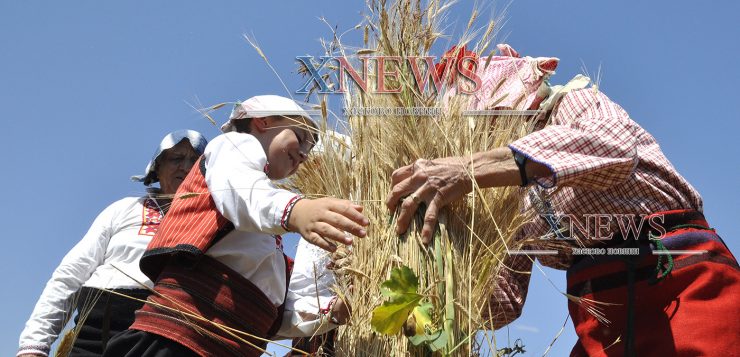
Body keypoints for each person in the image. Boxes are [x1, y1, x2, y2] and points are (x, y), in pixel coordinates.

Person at [386, 45, 740, 356]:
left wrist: (468, 169)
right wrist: (435, 286)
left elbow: (615, 148)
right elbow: (505, 301)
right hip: (599, 314)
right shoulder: (505, 189)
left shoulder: (573, 105)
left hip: (683, 285)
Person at [103, 95, 369, 357]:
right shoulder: (234, 147)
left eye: (308, 151)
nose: (303, 154)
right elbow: (241, 189)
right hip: (179, 340)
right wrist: (296, 210)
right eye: (299, 138)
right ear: (263, 122)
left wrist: (330, 312)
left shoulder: (266, 238)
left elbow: (274, 317)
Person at [18, 130, 208, 357]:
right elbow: (70, 275)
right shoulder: (124, 209)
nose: (186, 167)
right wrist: (34, 344)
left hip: (166, 337)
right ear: (157, 166)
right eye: (176, 159)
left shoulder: (213, 220)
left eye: (195, 161)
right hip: (96, 331)